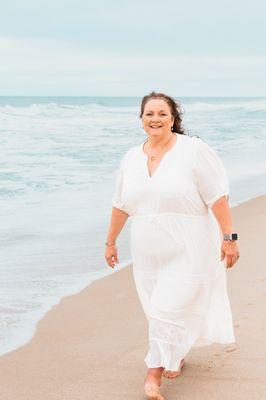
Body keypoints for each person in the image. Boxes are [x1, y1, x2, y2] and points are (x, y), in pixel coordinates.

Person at [105, 91, 240, 400]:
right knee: (156, 308)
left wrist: (229, 238)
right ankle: (173, 352)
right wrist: (110, 242)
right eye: (149, 114)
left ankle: (152, 377)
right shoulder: (131, 158)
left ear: (173, 119)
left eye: (162, 114)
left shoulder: (193, 151)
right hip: (147, 248)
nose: (155, 119)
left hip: (190, 245)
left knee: (168, 307)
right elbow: (120, 204)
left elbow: (218, 197)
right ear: (140, 120)